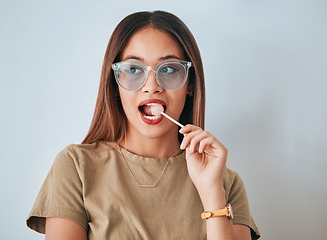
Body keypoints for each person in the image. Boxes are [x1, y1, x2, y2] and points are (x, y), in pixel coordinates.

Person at [26, 10, 260, 240]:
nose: (152, 86)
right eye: (134, 69)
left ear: (190, 84)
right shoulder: (76, 167)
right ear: (115, 84)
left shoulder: (225, 183)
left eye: (168, 69)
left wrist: (211, 192)